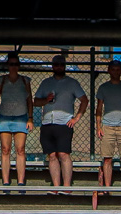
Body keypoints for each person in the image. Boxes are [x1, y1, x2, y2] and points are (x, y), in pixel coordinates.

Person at [34, 55, 87, 194]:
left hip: (64, 123)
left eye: (61, 64)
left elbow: (84, 100)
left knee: (63, 154)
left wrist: (76, 118)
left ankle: (67, 187)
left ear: (64, 65)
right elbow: (35, 102)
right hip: (47, 122)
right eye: (56, 64)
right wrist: (46, 100)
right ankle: (56, 187)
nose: (58, 67)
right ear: (52, 66)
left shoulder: (72, 83)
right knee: (52, 155)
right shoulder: (45, 83)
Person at [0, 52, 34, 189]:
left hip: (21, 117)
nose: (13, 67)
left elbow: (29, 101)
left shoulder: (25, 81)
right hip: (5, 117)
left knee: (20, 149)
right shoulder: (1, 80)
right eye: (11, 64)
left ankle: (20, 181)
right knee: (5, 149)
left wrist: (30, 118)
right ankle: (6, 181)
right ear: (7, 66)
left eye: (15, 64)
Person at [94, 60, 121, 190]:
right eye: (113, 69)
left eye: (118, 69)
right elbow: (99, 108)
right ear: (108, 70)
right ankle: (107, 188)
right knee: (107, 159)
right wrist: (99, 126)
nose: (115, 72)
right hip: (107, 126)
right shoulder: (103, 87)